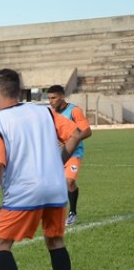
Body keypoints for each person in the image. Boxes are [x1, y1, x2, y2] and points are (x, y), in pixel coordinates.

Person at [0, 69, 84, 270]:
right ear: (20, 91)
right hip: (55, 186)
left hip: (24, 191)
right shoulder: (45, 111)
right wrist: (57, 161)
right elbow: (77, 133)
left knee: (0, 244)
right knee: (55, 241)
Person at [47, 84, 92, 225]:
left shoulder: (74, 111)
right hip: (55, 155)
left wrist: (69, 140)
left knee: (69, 181)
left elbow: (86, 131)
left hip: (74, 153)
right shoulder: (50, 113)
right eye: (49, 98)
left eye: (53, 98)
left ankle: (72, 213)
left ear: (62, 97)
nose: (51, 101)